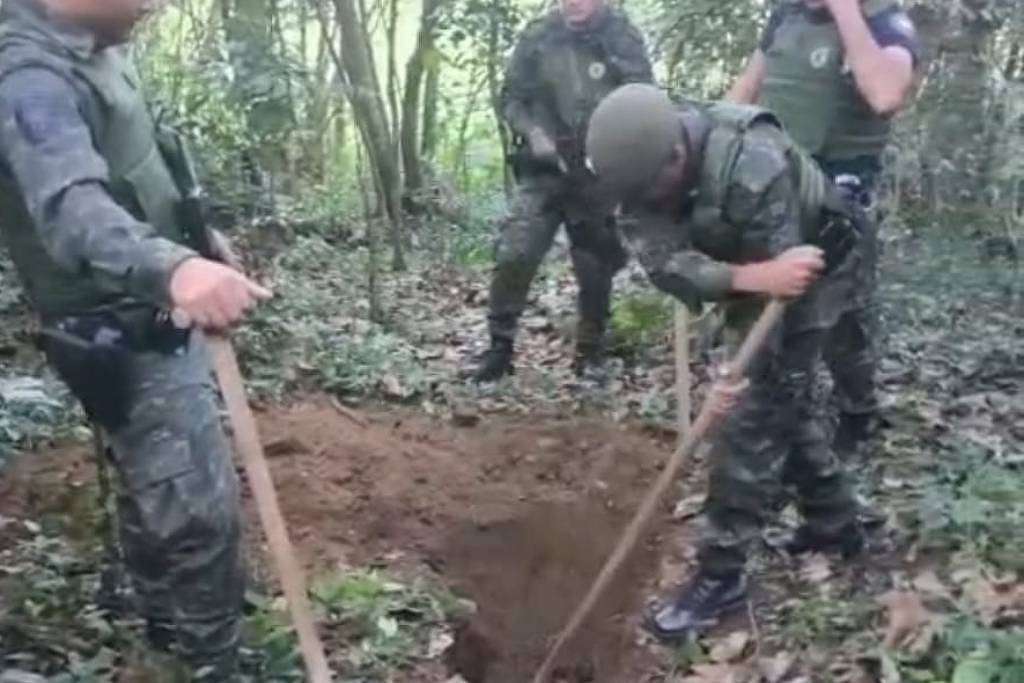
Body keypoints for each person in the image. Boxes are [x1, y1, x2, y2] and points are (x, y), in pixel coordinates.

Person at [0, 0, 271, 676]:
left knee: (158, 484)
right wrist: (173, 267)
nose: (156, 3)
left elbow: (138, 154)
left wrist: (194, 236)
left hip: (143, 309)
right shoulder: (27, 75)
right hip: (121, 327)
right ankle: (211, 659)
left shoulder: (87, 41)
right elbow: (73, 210)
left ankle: (168, 623)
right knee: (196, 511)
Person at [585, 83, 866, 640]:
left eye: (651, 192)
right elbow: (666, 263)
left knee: (752, 411)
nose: (643, 204)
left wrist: (734, 367)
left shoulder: (751, 162)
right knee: (777, 399)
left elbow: (784, 283)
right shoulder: (637, 180)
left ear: (678, 157)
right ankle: (836, 522)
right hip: (758, 268)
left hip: (819, 261)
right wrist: (744, 278)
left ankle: (721, 576)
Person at [727, 0, 918, 454]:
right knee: (779, 324)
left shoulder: (886, 23)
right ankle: (777, 437)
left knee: (843, 327)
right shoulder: (785, 18)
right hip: (774, 195)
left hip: (840, 206)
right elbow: (744, 93)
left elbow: (885, 94)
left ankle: (856, 411)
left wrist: (845, 11)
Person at [473, 0, 653, 383]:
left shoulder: (622, 36)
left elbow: (643, 100)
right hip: (543, 168)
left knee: (595, 265)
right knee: (515, 252)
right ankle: (499, 349)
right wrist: (535, 133)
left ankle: (590, 353)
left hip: (597, 172)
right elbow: (512, 98)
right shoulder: (539, 36)